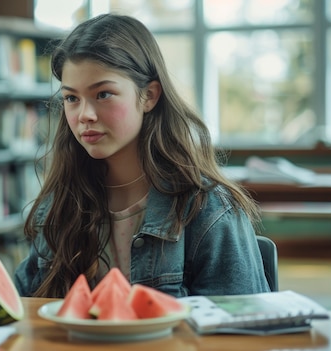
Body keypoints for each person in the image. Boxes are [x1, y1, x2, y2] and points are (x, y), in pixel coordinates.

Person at [14, 14, 271, 298]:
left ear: (149, 96)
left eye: (103, 94)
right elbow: (25, 311)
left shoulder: (209, 210)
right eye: (72, 98)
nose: (84, 115)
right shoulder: (58, 207)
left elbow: (236, 330)